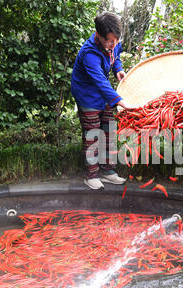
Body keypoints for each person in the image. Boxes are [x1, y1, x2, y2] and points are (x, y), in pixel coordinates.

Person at [71, 12, 127, 190]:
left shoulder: (113, 43)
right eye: (110, 41)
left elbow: (115, 57)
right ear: (98, 35)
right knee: (93, 134)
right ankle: (91, 175)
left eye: (116, 40)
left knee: (109, 130)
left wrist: (118, 68)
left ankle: (108, 171)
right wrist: (119, 100)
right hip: (87, 93)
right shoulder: (89, 53)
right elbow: (100, 82)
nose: (114, 44)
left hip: (103, 94)